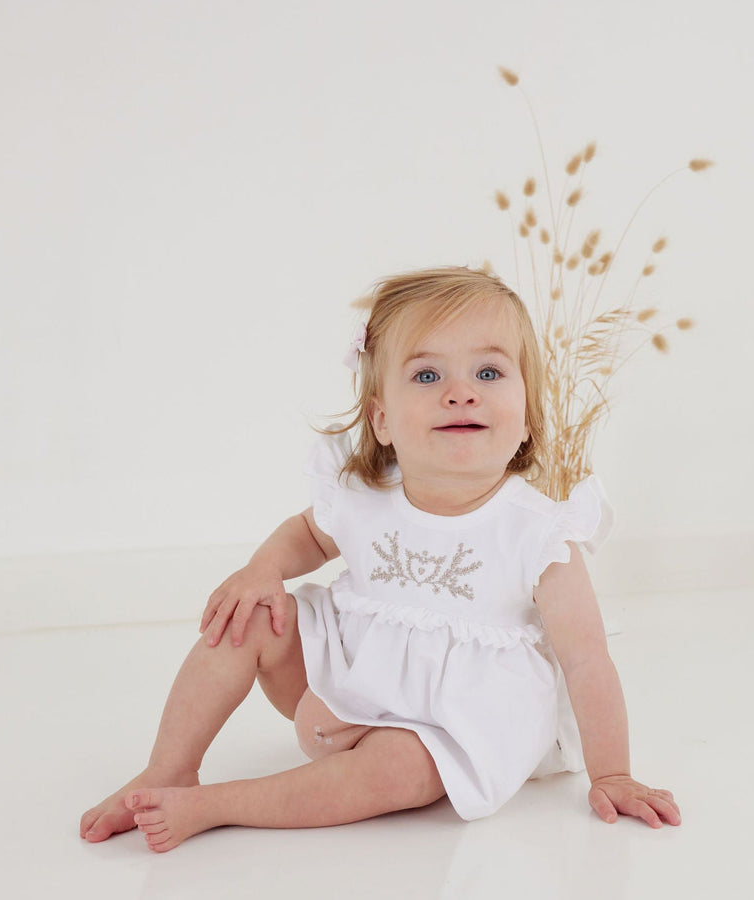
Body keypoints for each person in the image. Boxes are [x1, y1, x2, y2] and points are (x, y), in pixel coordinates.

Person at [80, 266, 681, 853]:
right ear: (382, 419)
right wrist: (262, 570)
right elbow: (306, 536)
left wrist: (613, 774)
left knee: (399, 767)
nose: (461, 390)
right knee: (250, 615)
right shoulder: (367, 497)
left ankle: (221, 807)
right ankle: (169, 769)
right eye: (426, 376)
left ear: (526, 417)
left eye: (490, 371)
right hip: (344, 689)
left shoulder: (538, 535)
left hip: (449, 731)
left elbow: (587, 662)